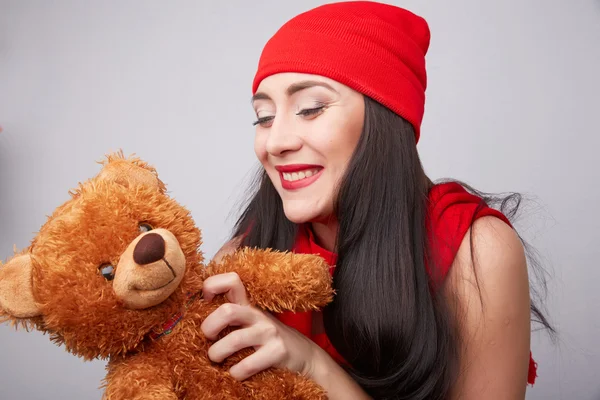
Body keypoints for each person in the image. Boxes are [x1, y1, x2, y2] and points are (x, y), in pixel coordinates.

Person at [199, 2, 554, 399]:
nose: (276, 141)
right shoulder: (241, 258)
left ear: (384, 118)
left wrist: (314, 366)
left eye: (310, 108)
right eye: (264, 117)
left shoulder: (475, 253)